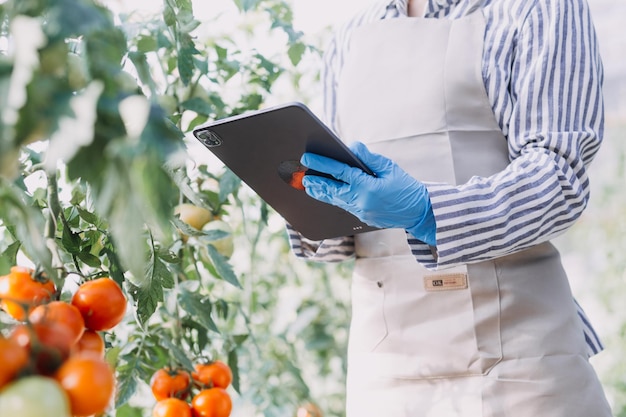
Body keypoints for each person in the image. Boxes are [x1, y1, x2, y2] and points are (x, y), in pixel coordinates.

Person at [286, 0, 613, 415]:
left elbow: (559, 179)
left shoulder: (539, 8)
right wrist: (308, 203)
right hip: (387, 371)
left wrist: (428, 210)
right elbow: (343, 234)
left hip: (518, 367)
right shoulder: (349, 36)